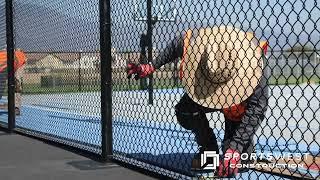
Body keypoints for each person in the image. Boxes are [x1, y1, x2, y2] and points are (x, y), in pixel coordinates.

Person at [127, 26, 269, 177]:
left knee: (240, 163)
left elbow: (257, 108)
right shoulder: (196, 45)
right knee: (185, 110)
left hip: (237, 103)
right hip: (206, 89)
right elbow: (176, 44)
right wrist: (151, 66)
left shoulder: (255, 63)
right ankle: (209, 149)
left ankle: (239, 148)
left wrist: (235, 148)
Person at [0, 48, 26, 115]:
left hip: (19, 63)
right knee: (1, 85)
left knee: (16, 83)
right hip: (7, 64)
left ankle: (16, 107)